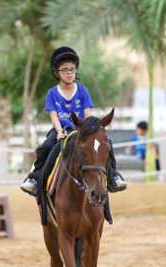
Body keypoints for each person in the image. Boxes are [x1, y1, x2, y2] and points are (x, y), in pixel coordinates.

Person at [20, 46, 126, 195]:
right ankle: (35, 178)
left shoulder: (82, 90)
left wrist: (90, 130)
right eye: (64, 70)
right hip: (61, 130)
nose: (69, 73)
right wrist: (58, 132)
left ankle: (113, 176)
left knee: (106, 143)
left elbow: (87, 113)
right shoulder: (52, 93)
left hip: (82, 130)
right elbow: (54, 115)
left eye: (72, 69)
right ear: (57, 72)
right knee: (45, 147)